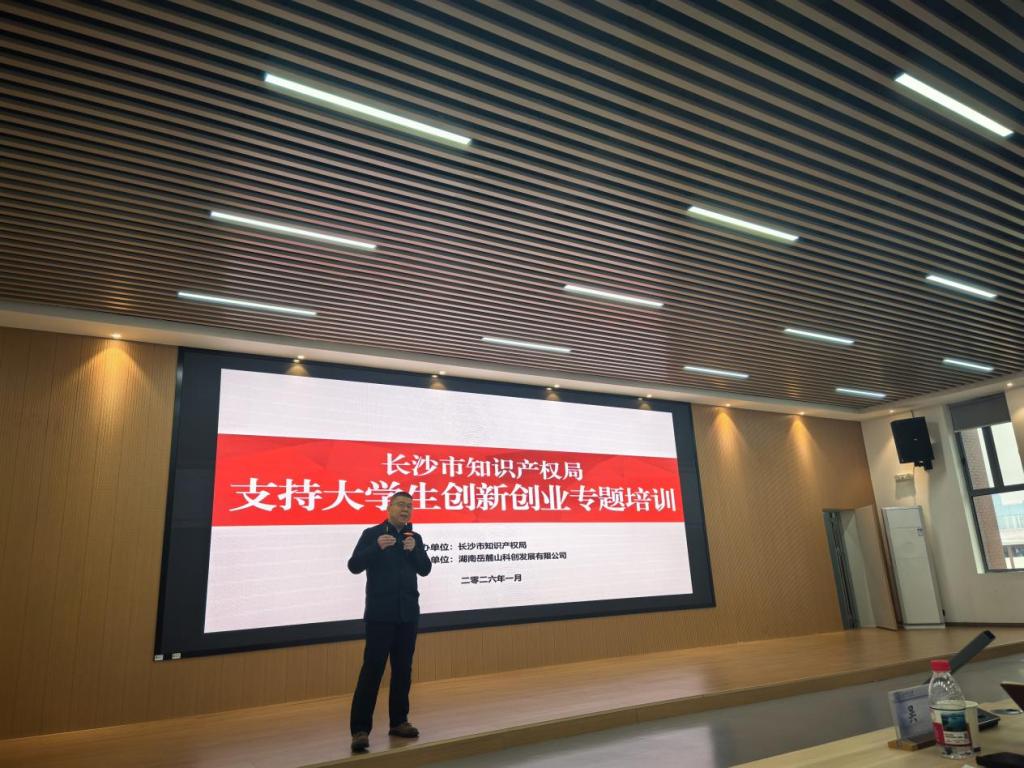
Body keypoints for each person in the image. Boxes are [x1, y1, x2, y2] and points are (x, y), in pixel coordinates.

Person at [347, 491, 432, 753]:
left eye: (410, 506)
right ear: (389, 506)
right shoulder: (372, 534)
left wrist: (414, 551)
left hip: (408, 615)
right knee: (372, 671)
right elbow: (354, 565)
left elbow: (425, 569)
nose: (406, 509)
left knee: (403, 670)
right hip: (380, 615)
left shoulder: (414, 538)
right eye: (401, 504)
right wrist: (376, 548)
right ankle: (360, 730)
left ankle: (399, 722)